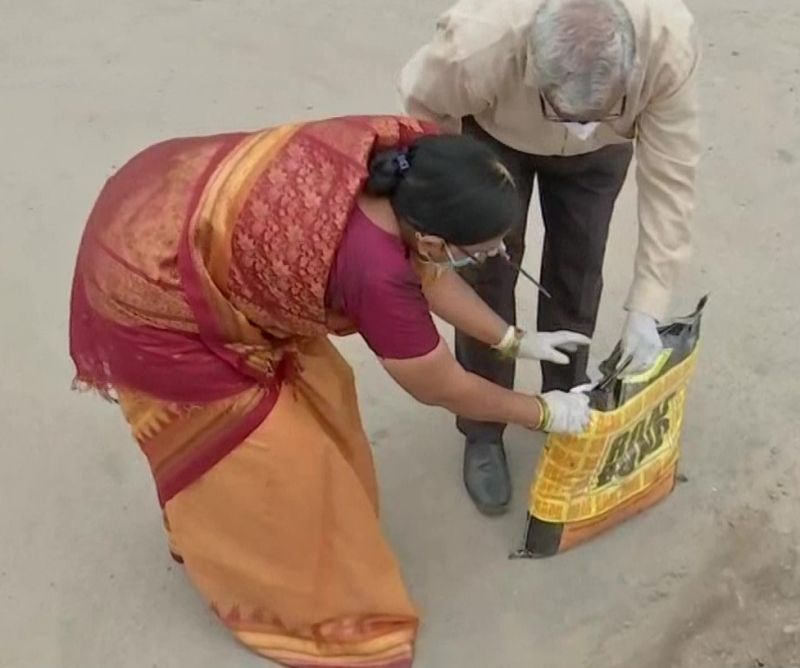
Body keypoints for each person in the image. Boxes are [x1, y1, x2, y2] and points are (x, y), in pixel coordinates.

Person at [69, 115, 591, 668]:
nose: (488, 260)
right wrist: (541, 411)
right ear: (436, 240)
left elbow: (431, 272)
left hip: (174, 193)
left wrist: (513, 340)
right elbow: (440, 383)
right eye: (481, 252)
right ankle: (312, 610)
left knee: (326, 392)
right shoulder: (374, 273)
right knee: (278, 470)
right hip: (153, 290)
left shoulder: (408, 165)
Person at [399, 0, 701, 514]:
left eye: (598, 113)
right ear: (531, 68)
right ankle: (483, 426)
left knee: (578, 272)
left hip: (601, 160)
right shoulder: (479, 44)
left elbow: (672, 176)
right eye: (566, 115)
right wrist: (458, 200)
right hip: (496, 140)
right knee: (484, 278)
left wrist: (648, 302)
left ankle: (570, 405)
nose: (578, 128)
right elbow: (422, 109)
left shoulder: (667, 44)